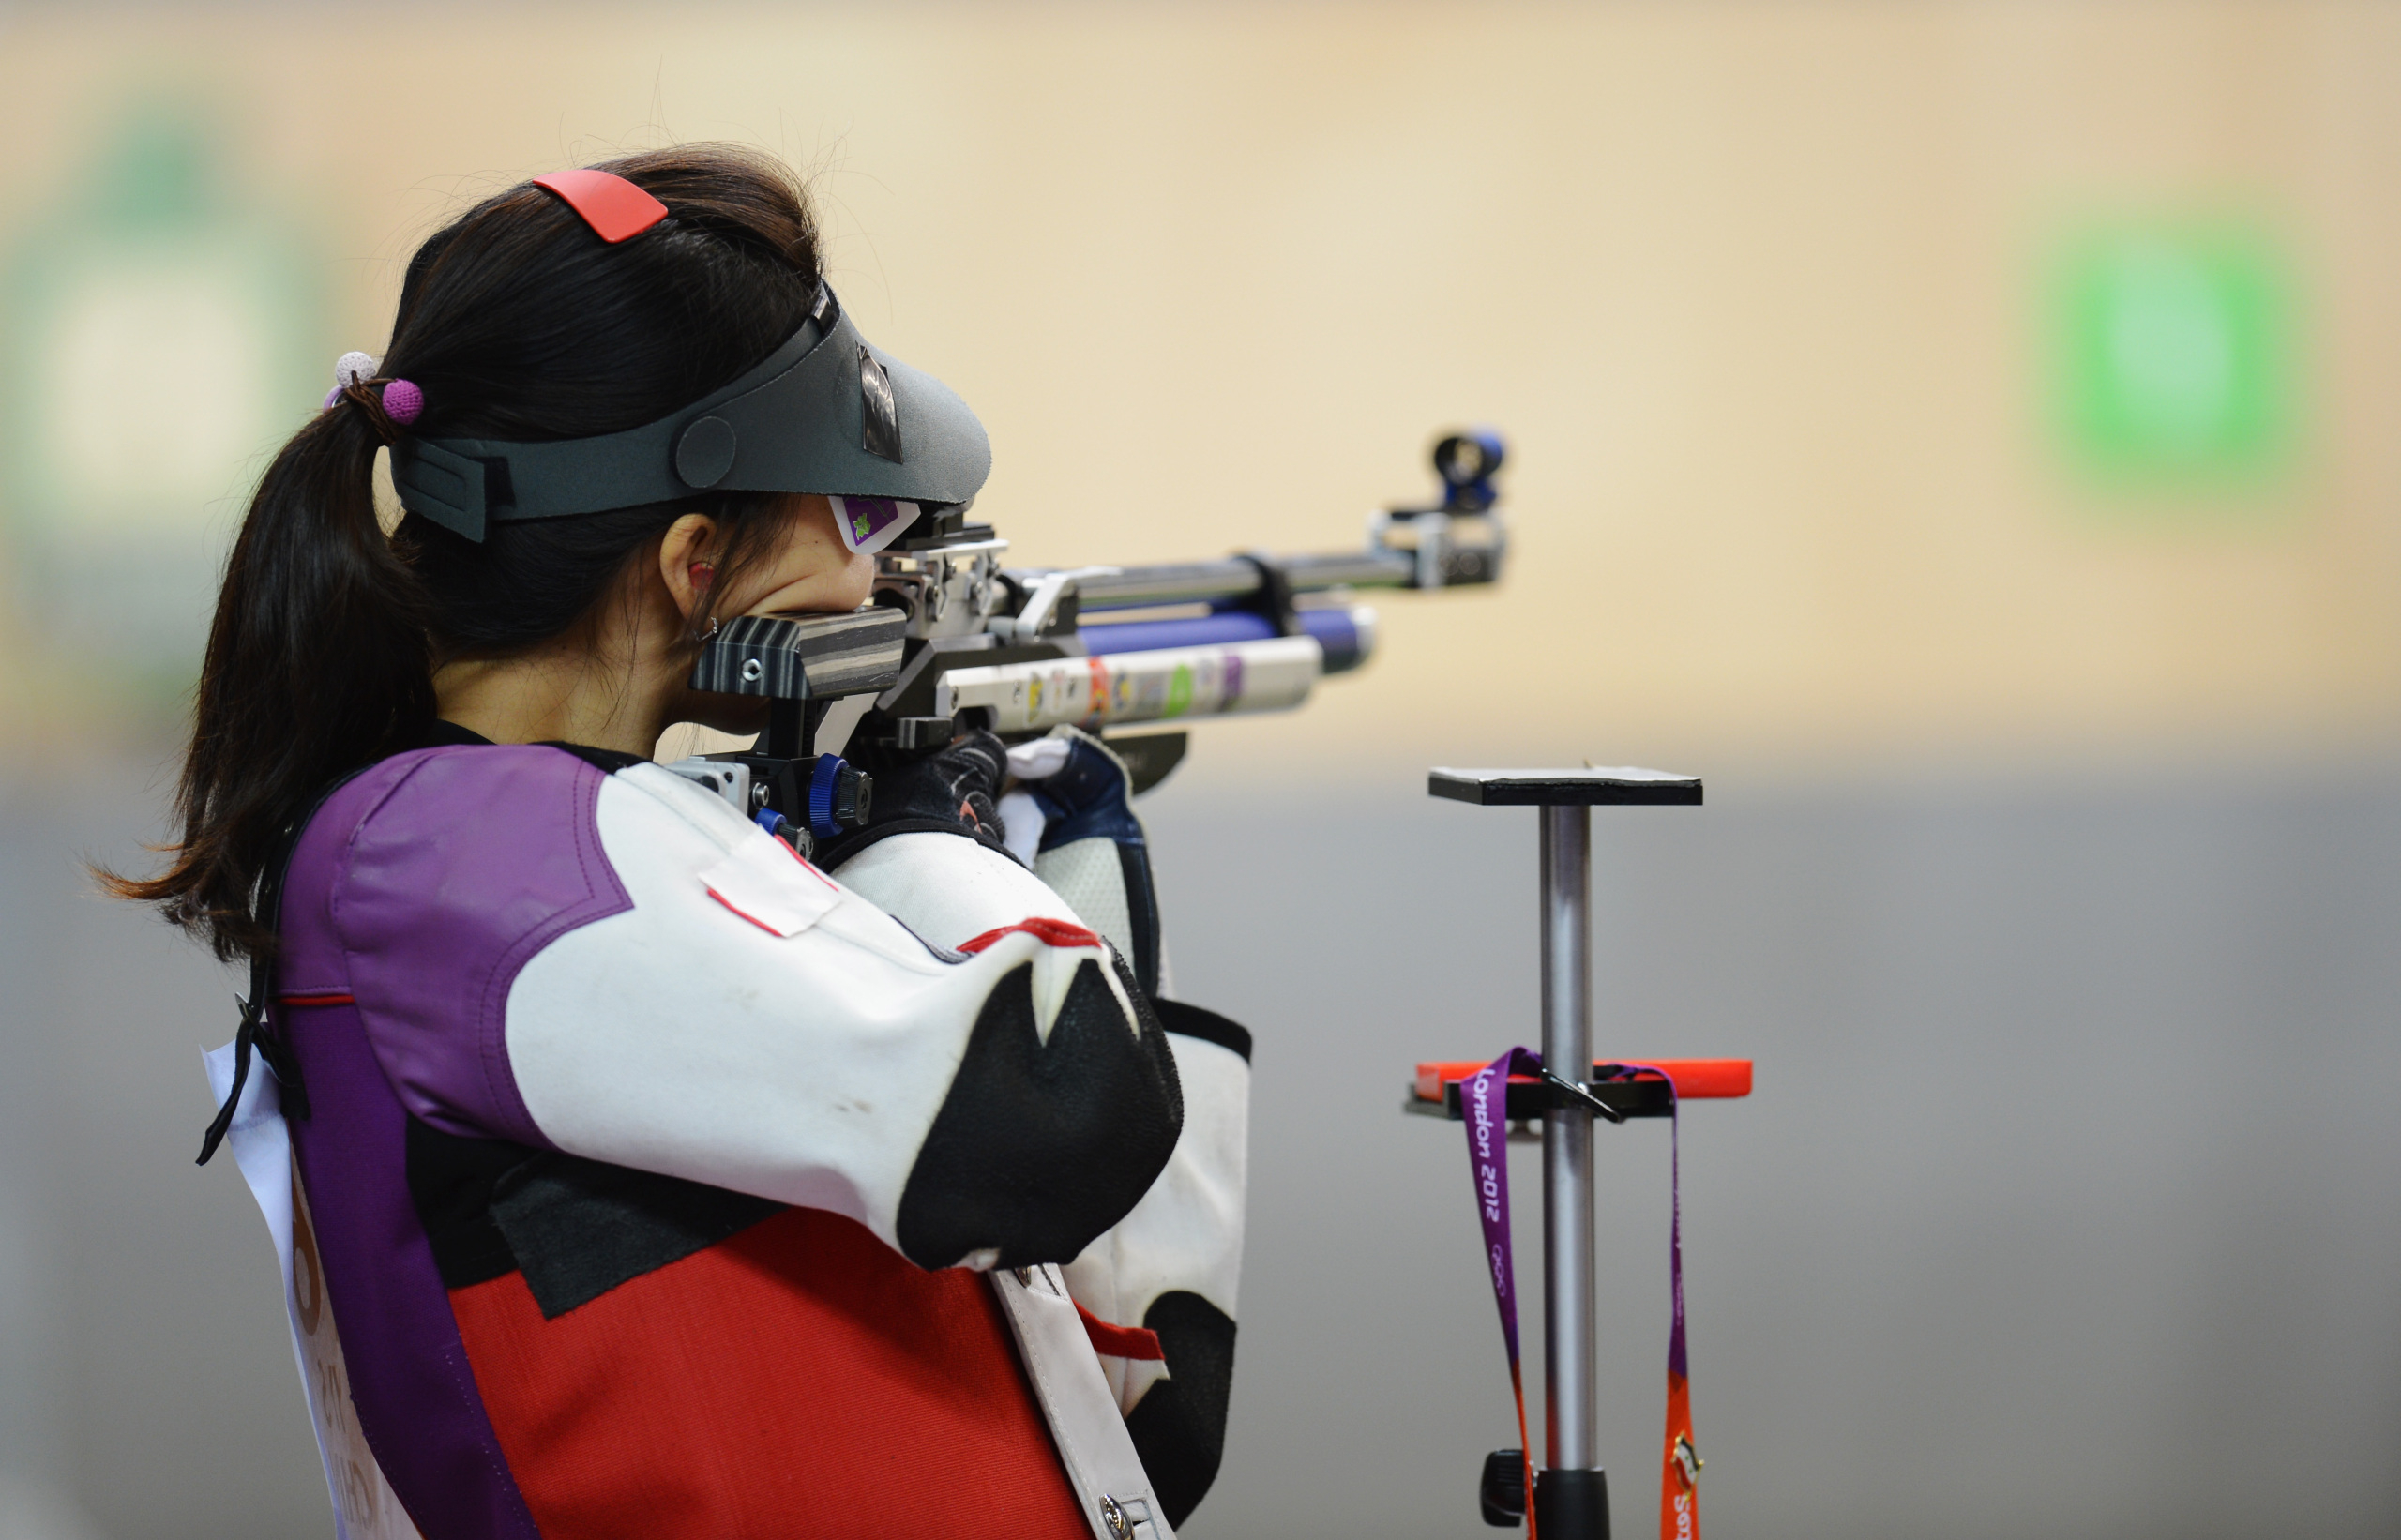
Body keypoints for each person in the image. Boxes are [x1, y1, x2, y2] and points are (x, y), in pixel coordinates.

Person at [108, 145, 1249, 1540]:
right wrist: (927, 845)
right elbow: (1057, 1114)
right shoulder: (439, 854)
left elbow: (1153, 1420)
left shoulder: (608, 853)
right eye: (856, 517)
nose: (870, 577)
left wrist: (1065, 859)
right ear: (695, 563)